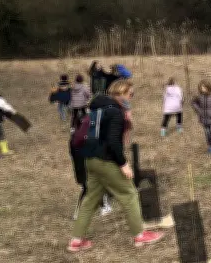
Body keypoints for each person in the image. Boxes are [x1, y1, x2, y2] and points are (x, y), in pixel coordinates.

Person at [67, 79, 164, 252]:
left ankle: (76, 240)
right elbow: (113, 142)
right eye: (130, 94)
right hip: (106, 160)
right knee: (129, 194)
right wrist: (123, 164)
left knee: (90, 199)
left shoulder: (98, 108)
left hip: (90, 160)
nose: (131, 98)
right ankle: (140, 235)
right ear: (121, 93)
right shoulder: (115, 113)